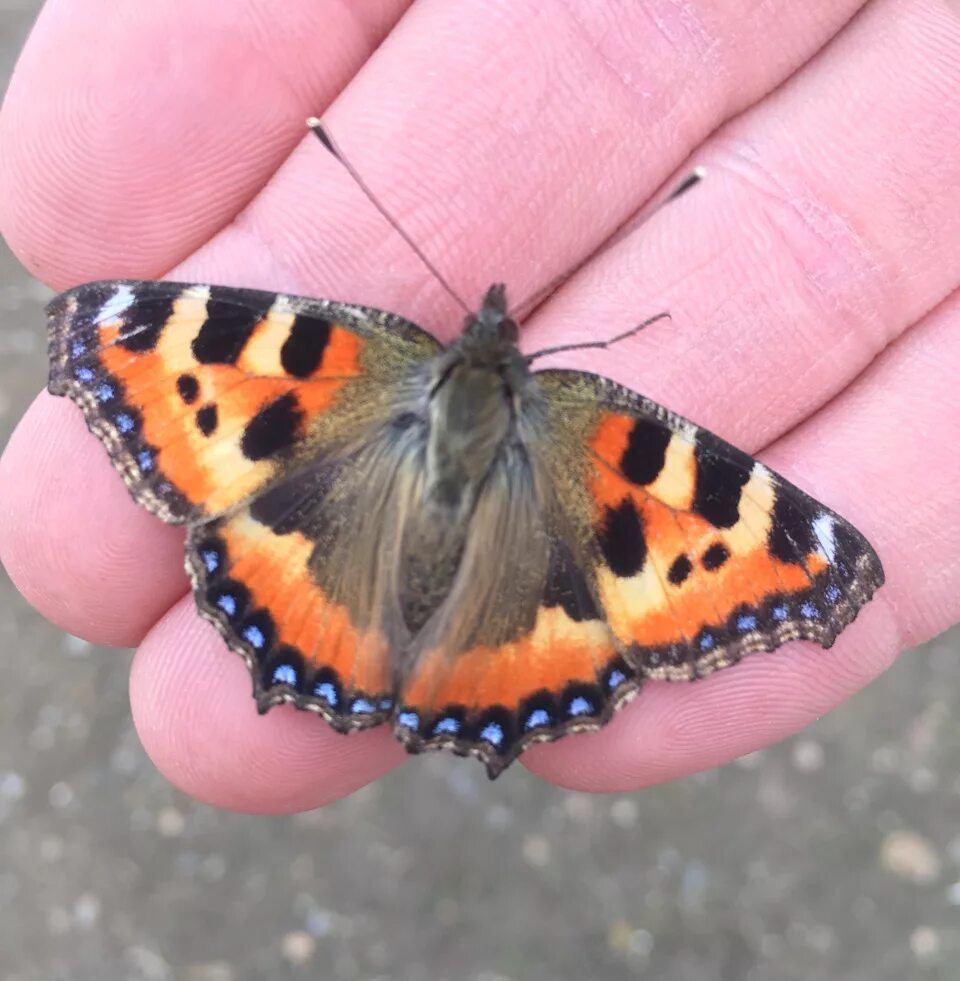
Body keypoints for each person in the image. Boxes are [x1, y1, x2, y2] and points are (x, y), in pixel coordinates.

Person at [1, 0, 957, 813]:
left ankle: (380, 658)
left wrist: (813, 562)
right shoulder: (613, 439)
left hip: (324, 548)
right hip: (507, 607)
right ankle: (436, 676)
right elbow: (728, 533)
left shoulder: (328, 361)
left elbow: (181, 355)